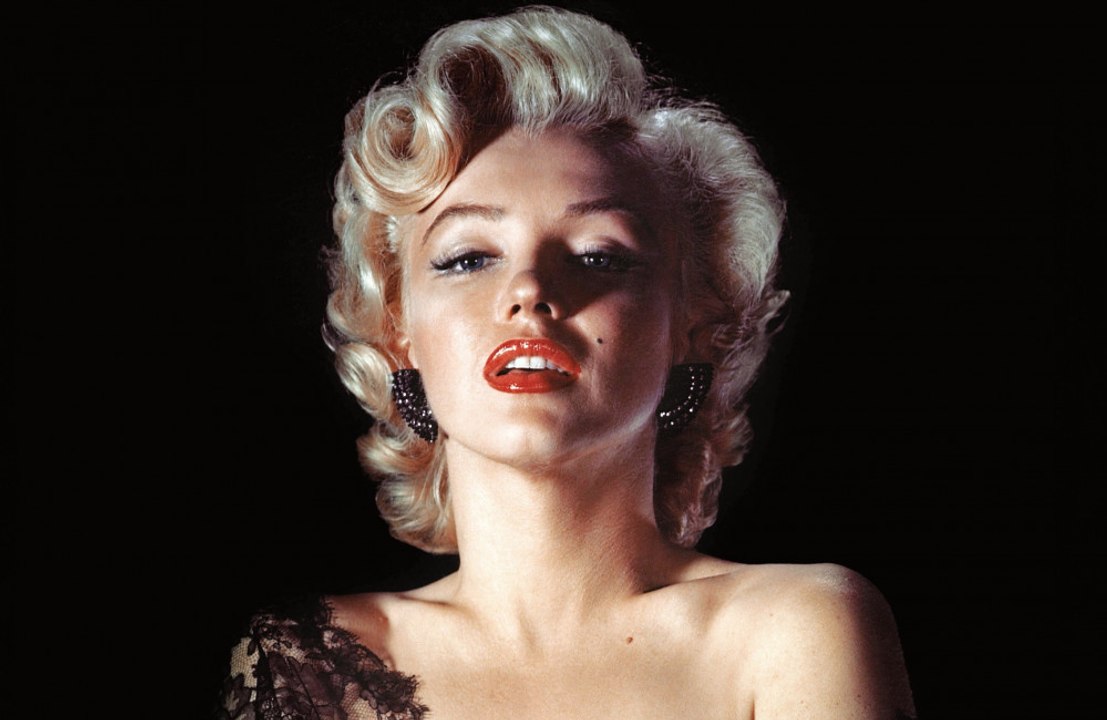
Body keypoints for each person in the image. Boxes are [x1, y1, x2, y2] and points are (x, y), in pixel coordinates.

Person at [221, 6, 915, 719]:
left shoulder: (797, 629)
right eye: (468, 258)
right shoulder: (308, 662)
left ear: (691, 325)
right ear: (400, 333)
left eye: (597, 255)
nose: (528, 291)